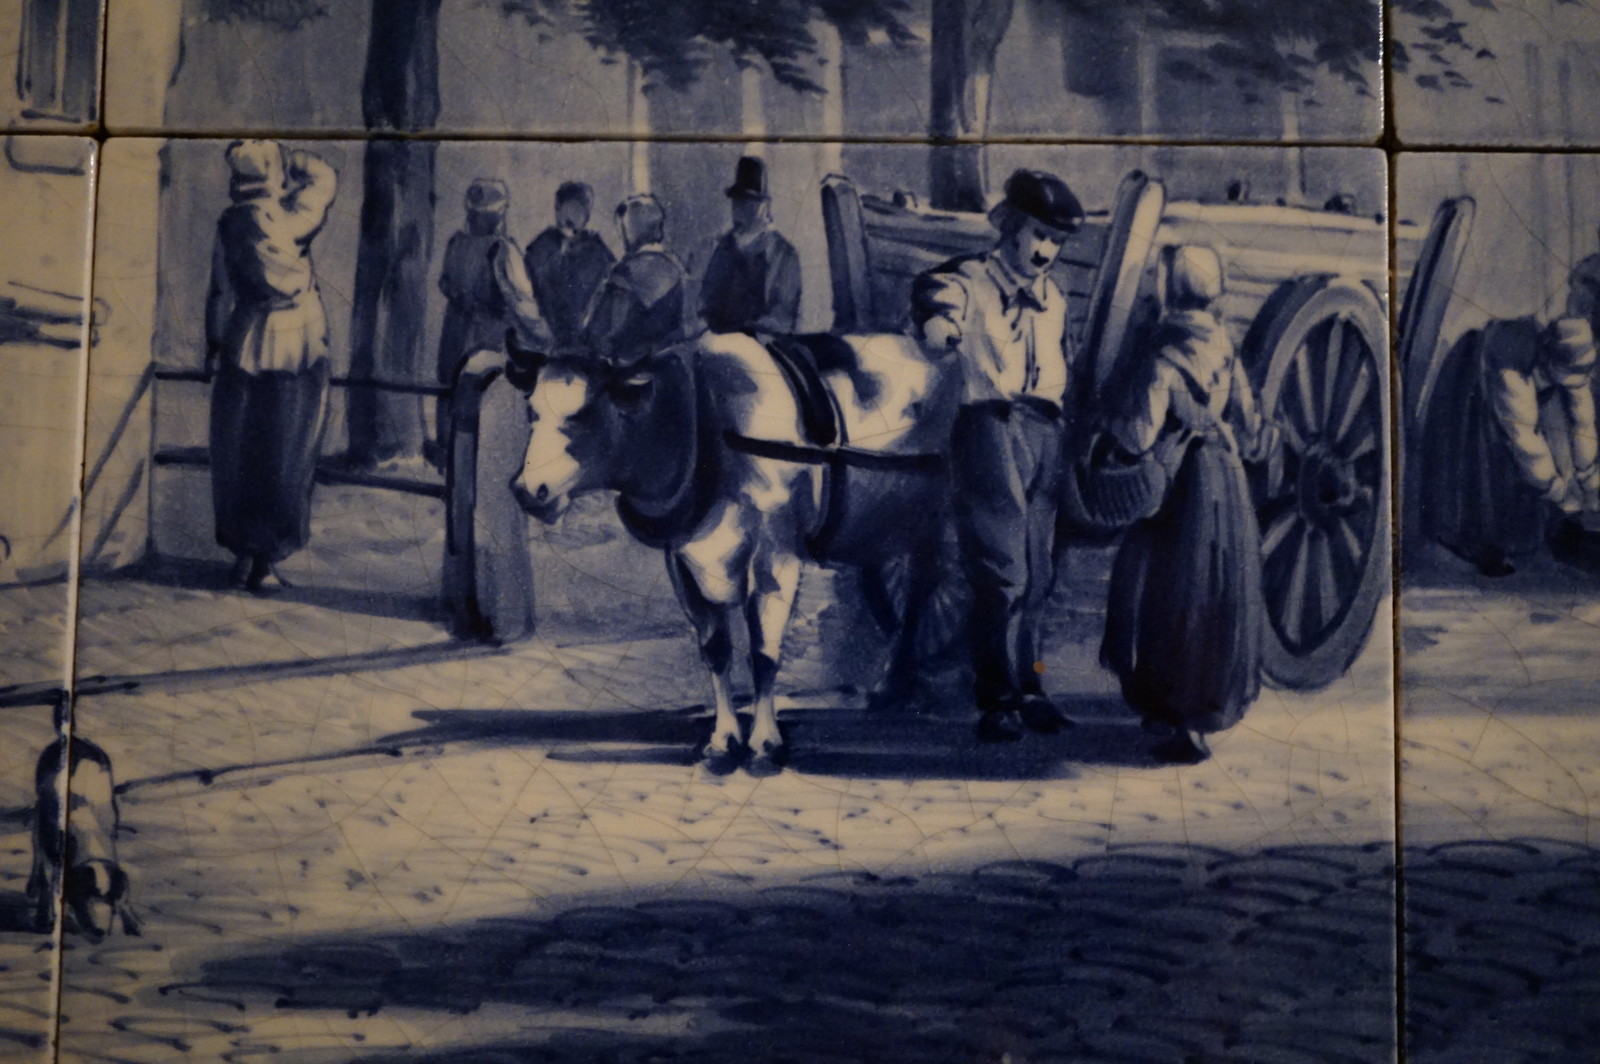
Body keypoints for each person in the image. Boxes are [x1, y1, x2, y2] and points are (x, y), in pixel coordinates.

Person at [911, 168, 1084, 742]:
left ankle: (1032, 685)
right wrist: (939, 326)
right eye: (1036, 234)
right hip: (989, 427)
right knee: (1002, 572)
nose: (1045, 250)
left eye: (1055, 241)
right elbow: (935, 296)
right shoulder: (972, 282)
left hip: (1044, 431)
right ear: (1008, 227)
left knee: (1039, 575)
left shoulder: (1054, 299)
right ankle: (997, 698)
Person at [1099, 245, 1270, 765]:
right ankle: (1205, 710)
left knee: (1173, 595)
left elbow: (1138, 435)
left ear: (1169, 292)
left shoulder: (1162, 354)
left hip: (1183, 490)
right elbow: (1249, 421)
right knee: (1217, 594)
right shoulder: (1224, 347)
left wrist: (1110, 429)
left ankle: (1175, 716)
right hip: (1228, 481)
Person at [205, 140, 338, 593]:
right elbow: (322, 181)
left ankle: (247, 557)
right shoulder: (286, 219)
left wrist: (214, 341)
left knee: (242, 456)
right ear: (274, 175)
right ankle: (261, 561)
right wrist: (295, 161)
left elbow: (219, 290)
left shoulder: (229, 222)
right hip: (291, 351)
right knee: (281, 457)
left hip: (243, 347)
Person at [1422, 316, 1599, 575]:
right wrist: (1562, 494)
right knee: (1483, 464)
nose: (1576, 383)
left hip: (1513, 403)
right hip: (1474, 384)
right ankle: (1474, 544)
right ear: (1550, 361)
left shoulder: (1573, 360)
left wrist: (1591, 481)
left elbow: (1582, 423)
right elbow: (1525, 443)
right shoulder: (1511, 372)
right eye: (1570, 376)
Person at [432, 178, 548, 467]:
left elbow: (445, 282)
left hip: (456, 333)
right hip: (489, 336)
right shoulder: (502, 250)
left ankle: (451, 458)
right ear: (497, 214)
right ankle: (473, 461)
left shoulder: (456, 244)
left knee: (453, 391)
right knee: (485, 396)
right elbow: (523, 299)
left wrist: (461, 297)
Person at [581, 194, 689, 367]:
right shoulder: (675, 265)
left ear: (629, 229)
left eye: (621, 228)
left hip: (632, 371)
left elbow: (604, 331)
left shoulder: (625, 272)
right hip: (673, 363)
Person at [699, 155, 802, 335]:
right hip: (721, 340)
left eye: (748, 202)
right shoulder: (724, 248)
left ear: (764, 206)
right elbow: (707, 300)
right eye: (737, 201)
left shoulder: (782, 253)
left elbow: (782, 318)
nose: (739, 208)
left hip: (764, 343)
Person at [524, 181, 616, 352]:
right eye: (570, 208)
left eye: (581, 210)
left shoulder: (598, 251)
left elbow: (605, 294)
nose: (575, 216)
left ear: (587, 214)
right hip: (545, 342)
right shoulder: (540, 247)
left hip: (586, 343)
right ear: (557, 209)